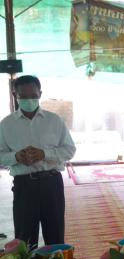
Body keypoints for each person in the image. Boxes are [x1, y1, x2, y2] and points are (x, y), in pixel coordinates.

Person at [0, 75, 76, 249]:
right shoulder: (6, 125)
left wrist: (44, 154)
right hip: (24, 186)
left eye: (33, 96)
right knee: (24, 241)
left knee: (55, 236)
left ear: (40, 93)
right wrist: (16, 157)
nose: (29, 100)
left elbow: (69, 150)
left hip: (51, 183)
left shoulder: (54, 120)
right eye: (23, 97)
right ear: (15, 95)